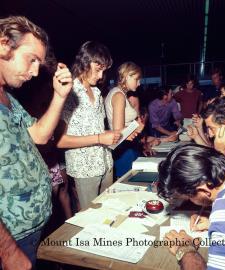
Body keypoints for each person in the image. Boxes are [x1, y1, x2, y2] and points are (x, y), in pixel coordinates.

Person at [0, 16, 73, 270]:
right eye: (31, 59)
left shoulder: (7, 97)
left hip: (31, 231)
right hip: (10, 240)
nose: (34, 72)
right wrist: (7, 252)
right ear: (3, 45)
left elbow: (39, 135)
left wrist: (60, 96)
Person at [56, 41, 121, 209]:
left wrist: (111, 135)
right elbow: (60, 140)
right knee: (90, 220)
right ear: (85, 62)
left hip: (105, 162)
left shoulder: (98, 93)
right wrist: (100, 137)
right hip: (85, 168)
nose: (101, 76)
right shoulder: (69, 93)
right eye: (98, 69)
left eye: (103, 71)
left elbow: (95, 130)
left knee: (109, 212)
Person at [105, 61, 144, 178]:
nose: (139, 83)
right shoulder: (119, 96)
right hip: (124, 150)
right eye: (137, 79)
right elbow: (119, 131)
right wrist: (137, 127)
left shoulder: (120, 93)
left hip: (126, 147)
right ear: (127, 76)